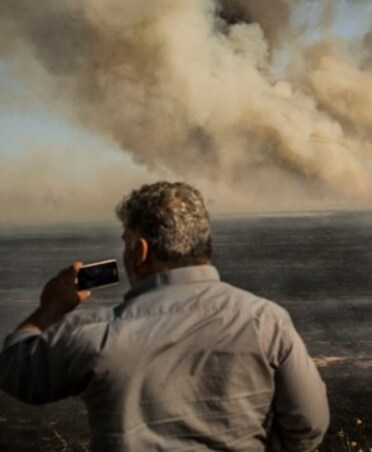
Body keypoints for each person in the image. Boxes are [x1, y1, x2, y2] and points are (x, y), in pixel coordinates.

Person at [0, 181, 329, 450]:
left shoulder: (96, 332)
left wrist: (51, 308)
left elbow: (16, 372)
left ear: (140, 251)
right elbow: (309, 424)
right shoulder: (267, 321)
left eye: (126, 242)